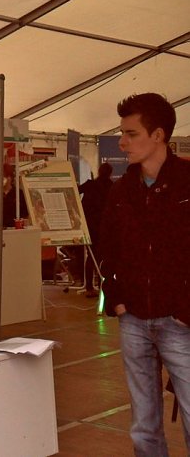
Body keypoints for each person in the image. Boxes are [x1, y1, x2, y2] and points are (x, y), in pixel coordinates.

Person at [100, 92, 190, 456]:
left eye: (131, 133)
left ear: (158, 135)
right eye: (122, 133)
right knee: (143, 425)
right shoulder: (121, 191)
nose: (122, 142)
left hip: (181, 322)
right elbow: (108, 249)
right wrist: (118, 298)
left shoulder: (187, 183)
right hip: (134, 319)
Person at [77, 162, 112, 297]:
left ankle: (89, 287)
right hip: (104, 227)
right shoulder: (111, 187)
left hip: (89, 226)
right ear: (110, 173)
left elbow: (76, 191)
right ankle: (102, 285)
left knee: (90, 257)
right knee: (103, 257)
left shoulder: (90, 185)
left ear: (98, 171)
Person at [2, 163, 29, 228]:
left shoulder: (19, 193)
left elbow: (25, 213)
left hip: (14, 229)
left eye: (5, 176)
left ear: (10, 177)